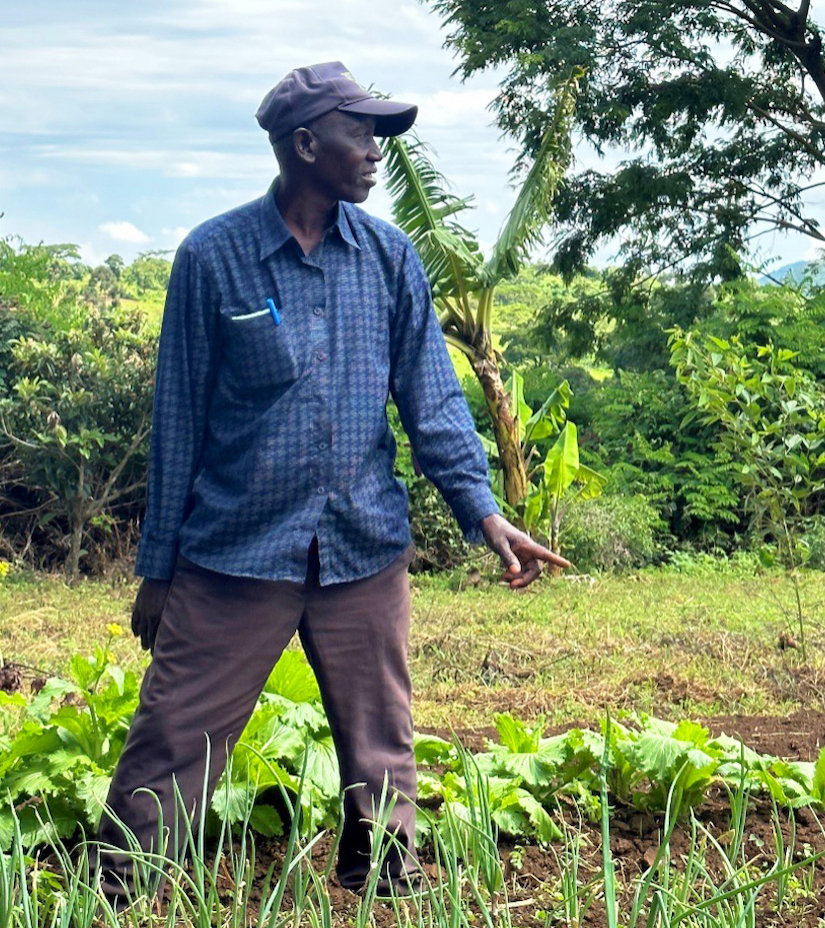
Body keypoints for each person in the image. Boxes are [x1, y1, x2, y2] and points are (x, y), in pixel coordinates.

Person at [93, 61, 570, 905]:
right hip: (235, 555)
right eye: (362, 134)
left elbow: (431, 400)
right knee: (171, 737)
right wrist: (158, 568)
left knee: (382, 745)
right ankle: (118, 894)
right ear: (306, 145)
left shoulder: (388, 258)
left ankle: (384, 885)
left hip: (363, 550)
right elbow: (179, 422)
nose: (377, 152)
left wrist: (483, 513)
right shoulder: (215, 257)